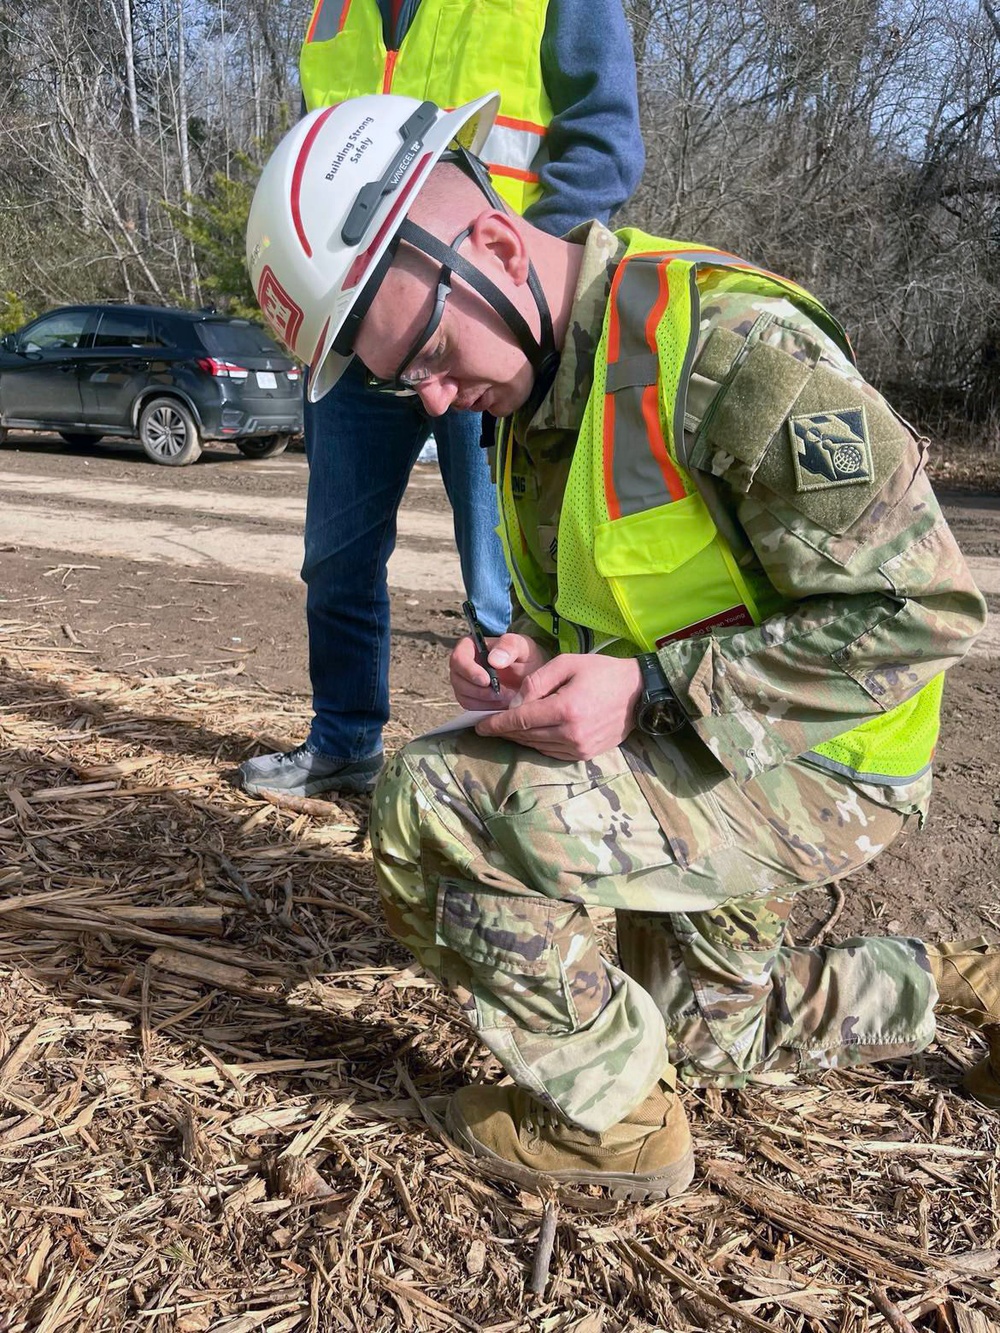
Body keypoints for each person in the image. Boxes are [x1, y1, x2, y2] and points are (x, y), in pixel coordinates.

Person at [246, 94, 991, 1202]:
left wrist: (646, 687)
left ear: (494, 242)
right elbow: (624, 595)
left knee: (434, 798)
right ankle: (967, 983)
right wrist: (529, 661)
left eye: (430, 351)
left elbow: (925, 613)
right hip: (718, 750)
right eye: (405, 379)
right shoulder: (537, 394)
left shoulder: (730, 357)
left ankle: (614, 1126)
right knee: (706, 1034)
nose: (436, 396)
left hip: (821, 763)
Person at [237, 0, 645, 799]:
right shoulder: (334, 11)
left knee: (504, 579)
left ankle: (527, 773)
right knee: (336, 558)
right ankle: (344, 740)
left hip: (481, 316)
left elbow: (604, 135)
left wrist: (514, 275)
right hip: (362, 335)